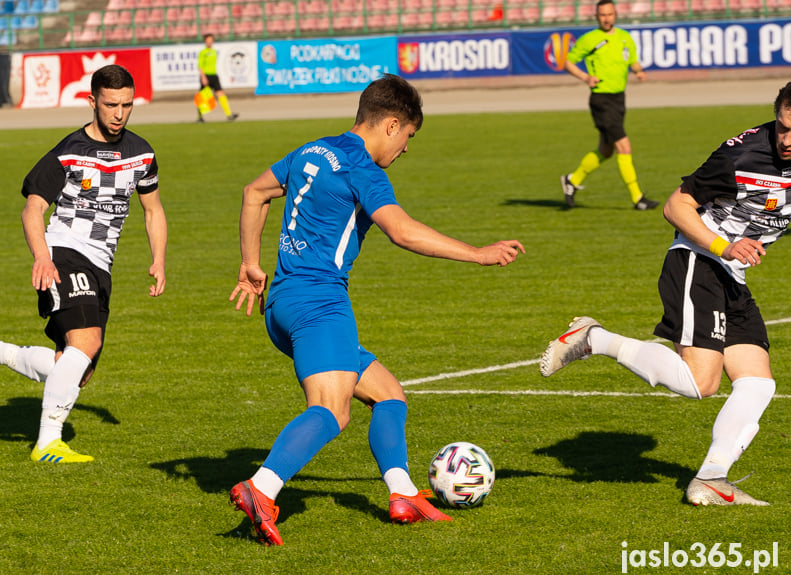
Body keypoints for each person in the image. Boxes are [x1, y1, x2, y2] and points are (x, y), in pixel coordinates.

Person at [228, 74, 525, 545]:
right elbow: (402, 231)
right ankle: (262, 488)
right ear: (390, 125)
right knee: (332, 410)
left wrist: (250, 264)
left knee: (389, 395)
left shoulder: (313, 149)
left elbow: (253, 192)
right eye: (408, 136)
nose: (406, 149)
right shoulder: (363, 170)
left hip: (282, 304)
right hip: (320, 303)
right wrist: (477, 253)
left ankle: (402, 493)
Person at [541, 81, 791, 506]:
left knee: (757, 385)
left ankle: (711, 479)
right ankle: (595, 338)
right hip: (699, 260)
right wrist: (723, 246)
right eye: (783, 127)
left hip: (733, 275)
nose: (786, 140)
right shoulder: (741, 155)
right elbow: (675, 206)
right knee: (701, 383)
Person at [0, 64, 168, 463]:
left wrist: (159, 259)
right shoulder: (67, 151)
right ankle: (48, 443)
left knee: (74, 369)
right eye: (110, 105)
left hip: (101, 264)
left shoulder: (142, 153)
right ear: (92, 102)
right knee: (87, 342)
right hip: (64, 252)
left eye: (126, 105)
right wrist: (42, 257)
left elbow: (152, 210)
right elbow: (32, 209)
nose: (119, 114)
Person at [560, 0, 658, 210]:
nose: (606, 18)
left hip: (619, 99)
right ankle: (637, 198)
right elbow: (568, 62)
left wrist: (639, 71)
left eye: (610, 14)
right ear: (597, 16)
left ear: (615, 15)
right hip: (601, 99)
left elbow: (632, 61)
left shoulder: (624, 37)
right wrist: (586, 77)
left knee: (605, 150)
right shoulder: (590, 39)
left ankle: (572, 181)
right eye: (602, 15)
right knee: (624, 146)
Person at [197, 33, 238, 123]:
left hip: (214, 76)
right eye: (208, 40)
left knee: (221, 94)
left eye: (211, 40)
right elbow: (200, 66)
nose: (210, 42)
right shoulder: (203, 52)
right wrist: (203, 77)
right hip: (206, 76)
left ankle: (229, 115)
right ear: (205, 41)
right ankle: (200, 117)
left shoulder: (214, 52)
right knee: (203, 97)